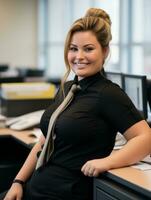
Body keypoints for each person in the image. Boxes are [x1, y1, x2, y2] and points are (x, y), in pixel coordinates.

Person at [1, 7, 151, 200]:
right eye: (73, 49)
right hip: (35, 186)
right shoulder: (68, 88)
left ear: (104, 51)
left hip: (65, 192)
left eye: (88, 49)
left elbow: (145, 138)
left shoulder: (108, 93)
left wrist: (108, 162)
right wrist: (18, 182)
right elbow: (45, 140)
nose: (79, 56)